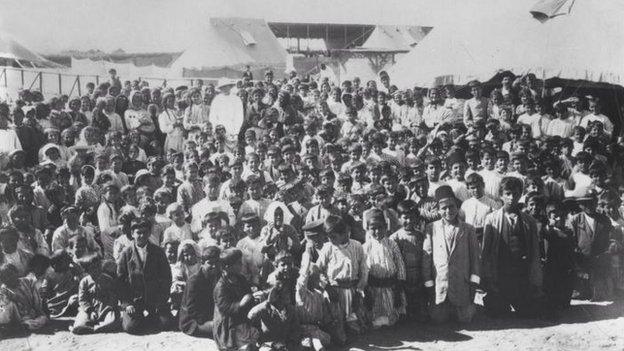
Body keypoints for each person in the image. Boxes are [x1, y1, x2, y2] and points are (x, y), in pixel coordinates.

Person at [481, 177, 543, 317]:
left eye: (515, 194)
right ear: (501, 195)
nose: (511, 198)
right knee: (498, 311)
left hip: (521, 273)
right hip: (500, 272)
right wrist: (487, 276)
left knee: (529, 311)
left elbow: (534, 252)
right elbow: (486, 251)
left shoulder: (529, 221)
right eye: (508, 193)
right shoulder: (491, 219)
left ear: (521, 194)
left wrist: (535, 279)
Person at [423, 186, 481, 324]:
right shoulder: (431, 228)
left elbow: (475, 259)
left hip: (462, 286)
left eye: (451, 207)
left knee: (465, 319)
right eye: (444, 208)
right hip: (440, 287)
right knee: (438, 320)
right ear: (438, 209)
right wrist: (429, 284)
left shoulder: (468, 229)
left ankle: (468, 307)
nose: (448, 211)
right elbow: (427, 258)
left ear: (457, 207)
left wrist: (473, 284)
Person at [117, 219, 172, 334]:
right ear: (132, 234)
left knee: (166, 324)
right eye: (138, 232)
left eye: (145, 232)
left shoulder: (158, 252)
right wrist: (127, 303)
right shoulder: (126, 254)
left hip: (155, 300)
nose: (142, 236)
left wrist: (161, 300)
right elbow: (120, 281)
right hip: (135, 301)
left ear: (149, 233)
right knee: (131, 327)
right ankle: (138, 318)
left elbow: (166, 277)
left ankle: (150, 317)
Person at [212, 248, 261, 350]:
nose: (242, 265)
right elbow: (225, 308)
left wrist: (253, 297)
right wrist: (241, 304)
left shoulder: (240, 278)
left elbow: (247, 294)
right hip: (228, 323)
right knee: (245, 346)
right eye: (238, 263)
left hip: (241, 317)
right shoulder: (221, 286)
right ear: (227, 267)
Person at [179, 245, 220, 337]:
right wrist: (211, 319)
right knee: (221, 327)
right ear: (202, 262)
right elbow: (191, 309)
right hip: (193, 321)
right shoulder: (194, 281)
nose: (214, 266)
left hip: (210, 316)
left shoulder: (217, 276)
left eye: (217, 262)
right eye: (210, 263)